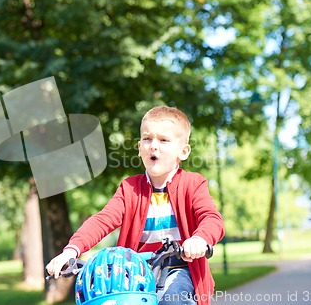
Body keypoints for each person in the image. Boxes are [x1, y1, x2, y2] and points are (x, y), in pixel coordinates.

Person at [46, 106, 225, 305]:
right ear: (140, 148)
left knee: (172, 299)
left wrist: (200, 239)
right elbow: (102, 220)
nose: (153, 146)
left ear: (183, 151)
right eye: (147, 139)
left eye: (163, 140)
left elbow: (211, 218)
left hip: (180, 268)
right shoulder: (129, 188)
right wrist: (71, 250)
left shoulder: (193, 184)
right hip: (136, 272)